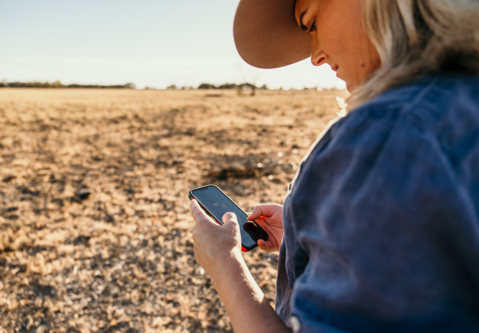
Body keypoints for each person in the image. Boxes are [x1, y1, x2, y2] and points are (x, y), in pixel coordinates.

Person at [190, 0, 479, 332]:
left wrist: (226, 267)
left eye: (311, 23)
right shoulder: (461, 101)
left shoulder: (390, 133)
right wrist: (315, 229)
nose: (316, 56)